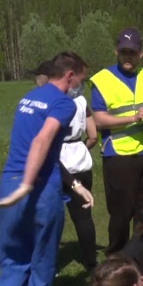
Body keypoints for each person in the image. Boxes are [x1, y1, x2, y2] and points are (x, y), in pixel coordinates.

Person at [0, 52, 90, 286]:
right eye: (80, 80)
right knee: (43, 257)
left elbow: (36, 143)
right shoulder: (64, 103)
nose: (79, 86)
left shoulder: (27, 99)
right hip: (40, 188)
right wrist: (29, 184)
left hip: (9, 182)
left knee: (12, 259)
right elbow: (42, 142)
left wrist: (74, 184)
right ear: (69, 75)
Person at [90, 27, 143, 254]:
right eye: (124, 52)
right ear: (116, 51)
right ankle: (116, 257)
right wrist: (133, 117)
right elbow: (99, 119)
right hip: (118, 155)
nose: (128, 56)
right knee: (121, 212)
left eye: (132, 52)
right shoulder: (102, 80)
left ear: (140, 54)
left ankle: (142, 256)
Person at [34, 60, 100, 271]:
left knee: (50, 216)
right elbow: (93, 135)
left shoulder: (49, 102)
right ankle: (91, 262)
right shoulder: (81, 101)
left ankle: (46, 263)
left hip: (56, 158)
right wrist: (82, 148)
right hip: (80, 158)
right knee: (83, 217)